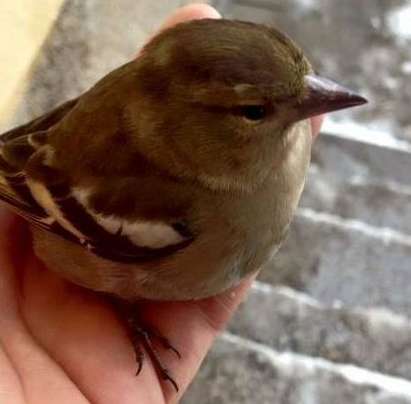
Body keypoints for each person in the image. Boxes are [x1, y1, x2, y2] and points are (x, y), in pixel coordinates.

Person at [0, 4, 323, 403]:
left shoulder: (265, 147)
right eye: (256, 111)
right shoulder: (176, 203)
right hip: (48, 188)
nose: (319, 97)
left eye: (306, 75)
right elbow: (41, 174)